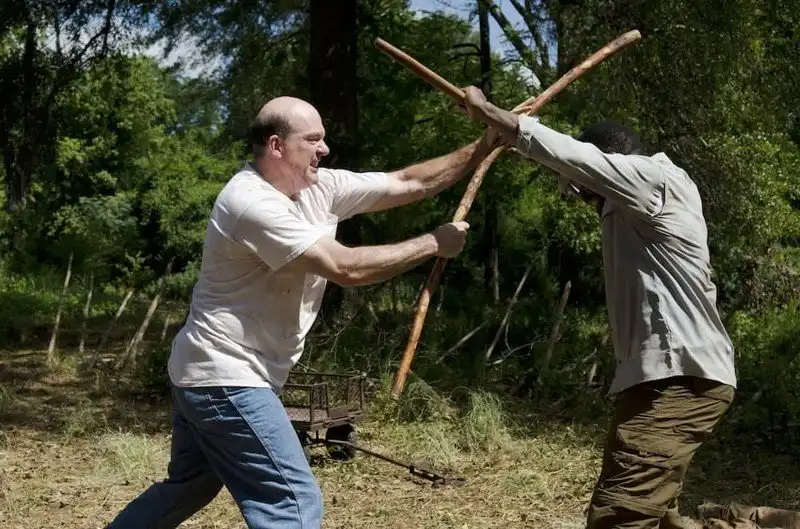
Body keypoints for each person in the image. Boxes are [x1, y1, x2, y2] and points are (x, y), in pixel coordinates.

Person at [105, 95, 497, 529]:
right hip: (226, 375)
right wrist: (434, 243)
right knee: (292, 503)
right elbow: (345, 267)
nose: (324, 149)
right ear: (277, 146)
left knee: (190, 486)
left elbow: (408, 181)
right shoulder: (250, 202)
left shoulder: (319, 187)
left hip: (203, 371)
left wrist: (486, 142)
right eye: (313, 140)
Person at [461, 86, 737, 529]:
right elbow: (573, 166)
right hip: (666, 381)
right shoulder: (638, 202)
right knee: (655, 515)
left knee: (619, 516)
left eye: (587, 192)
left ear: (611, 162)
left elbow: (577, 160)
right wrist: (514, 141)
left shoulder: (652, 179)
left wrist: (492, 114)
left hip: (680, 379)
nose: (585, 200)